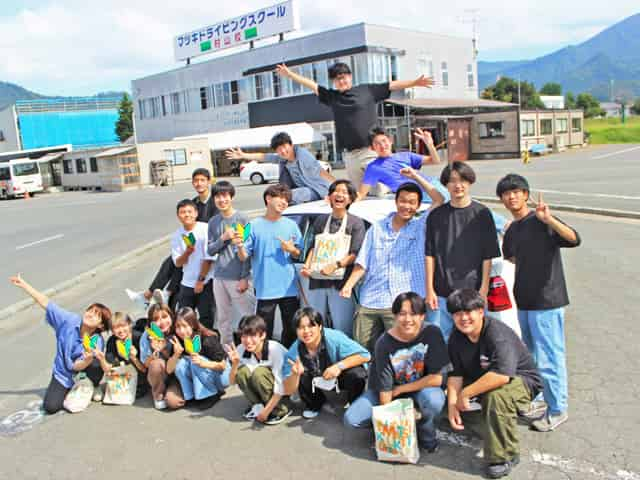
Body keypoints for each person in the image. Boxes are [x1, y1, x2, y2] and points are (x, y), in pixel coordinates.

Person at [497, 174, 581, 432]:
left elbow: (573, 239)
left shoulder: (542, 220)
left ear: (526, 194)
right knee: (531, 357)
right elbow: (510, 258)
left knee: (550, 357)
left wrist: (550, 220)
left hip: (548, 299)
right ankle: (541, 399)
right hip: (524, 300)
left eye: (517, 191)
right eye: (506, 193)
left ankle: (558, 409)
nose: (512, 197)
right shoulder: (513, 229)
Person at [276, 61, 435, 186]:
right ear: (334, 82)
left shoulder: (366, 90)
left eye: (344, 77)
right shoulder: (333, 97)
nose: (341, 81)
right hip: (350, 155)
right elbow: (312, 85)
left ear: (350, 77)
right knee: (360, 195)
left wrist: (414, 82)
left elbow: (391, 85)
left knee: (381, 189)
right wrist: (290, 75)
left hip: (371, 152)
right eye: (337, 79)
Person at [446, 289, 543, 479]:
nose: (463, 318)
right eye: (457, 313)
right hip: (484, 376)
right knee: (449, 392)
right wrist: (452, 405)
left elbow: (501, 376)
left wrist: (465, 394)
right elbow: (455, 374)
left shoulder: (496, 333)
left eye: (468, 312)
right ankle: (485, 419)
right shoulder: (456, 337)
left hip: (521, 379)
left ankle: (505, 455)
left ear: (481, 312)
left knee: (496, 397)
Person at [340, 182, 443, 353]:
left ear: (418, 206)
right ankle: (367, 379)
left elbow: (439, 199)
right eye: (403, 201)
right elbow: (362, 262)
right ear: (396, 202)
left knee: (400, 353)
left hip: (400, 302)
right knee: (362, 350)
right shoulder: (377, 228)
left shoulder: (420, 227)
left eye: (412, 203)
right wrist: (349, 285)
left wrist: (415, 176)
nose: (406, 206)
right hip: (370, 298)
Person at [344, 292, 449, 453]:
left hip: (419, 389)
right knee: (351, 420)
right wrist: (390, 429)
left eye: (413, 314)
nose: (408, 319)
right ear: (394, 316)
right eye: (402, 314)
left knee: (434, 400)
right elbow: (385, 391)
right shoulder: (384, 342)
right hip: (387, 391)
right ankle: (391, 426)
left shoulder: (432, 333)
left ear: (422, 316)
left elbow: (437, 379)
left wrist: (401, 389)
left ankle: (425, 432)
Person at [9, 275, 111, 414]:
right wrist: (24, 284)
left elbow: (78, 366)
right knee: (51, 406)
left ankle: (92, 385)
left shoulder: (97, 341)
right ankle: (73, 389)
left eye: (96, 315)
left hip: (83, 372)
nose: (90, 314)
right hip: (63, 373)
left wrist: (87, 360)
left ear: (101, 325)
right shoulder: (69, 321)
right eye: (90, 310)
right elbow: (46, 303)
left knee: (96, 362)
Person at [425, 162, 501, 341]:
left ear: (470, 182)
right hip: (441, 291)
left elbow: (487, 254)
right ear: (445, 184)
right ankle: (444, 370)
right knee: (441, 339)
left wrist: (483, 289)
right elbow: (430, 254)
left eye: (463, 180)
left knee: (475, 339)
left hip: (472, 292)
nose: (458, 185)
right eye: (452, 181)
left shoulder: (482, 214)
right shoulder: (436, 216)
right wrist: (429, 289)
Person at [235, 184, 303, 347]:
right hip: (265, 287)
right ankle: (265, 359)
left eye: (287, 200)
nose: (284, 202)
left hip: (289, 287)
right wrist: (238, 245)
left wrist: (291, 249)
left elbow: (300, 253)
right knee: (264, 330)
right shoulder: (254, 225)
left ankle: (290, 360)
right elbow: (244, 256)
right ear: (268, 199)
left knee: (292, 329)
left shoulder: (291, 225)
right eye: (280, 198)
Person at [143, 168, 219, 309]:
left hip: (211, 243)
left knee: (176, 262)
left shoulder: (215, 203)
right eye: (196, 181)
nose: (199, 184)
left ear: (209, 181)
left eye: (202, 180)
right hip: (193, 243)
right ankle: (164, 293)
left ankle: (162, 292)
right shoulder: (193, 202)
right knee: (176, 259)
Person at [300, 180, 366, 336]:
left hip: (341, 283)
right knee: (315, 323)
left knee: (342, 325)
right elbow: (313, 246)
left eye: (344, 192)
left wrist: (335, 265)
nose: (339, 195)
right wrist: (307, 266)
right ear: (329, 197)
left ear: (350, 199)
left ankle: (343, 358)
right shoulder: (321, 220)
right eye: (336, 191)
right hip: (317, 278)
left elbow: (356, 253)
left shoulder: (356, 222)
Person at [283, 308, 370, 419]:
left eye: (311, 326)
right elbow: (287, 390)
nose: (306, 331)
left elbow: (365, 355)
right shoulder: (293, 352)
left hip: (339, 375)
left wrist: (339, 366)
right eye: (300, 327)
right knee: (300, 373)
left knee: (357, 373)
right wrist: (295, 375)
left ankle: (355, 402)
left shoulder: (334, 337)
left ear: (320, 327)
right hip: (316, 378)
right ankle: (314, 404)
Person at [207, 181, 256, 345]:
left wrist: (244, 277)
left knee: (248, 317)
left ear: (231, 197)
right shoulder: (213, 222)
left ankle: (251, 350)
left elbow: (248, 251)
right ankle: (228, 352)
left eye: (225, 196)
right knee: (223, 318)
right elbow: (210, 250)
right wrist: (223, 238)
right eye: (218, 196)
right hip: (219, 276)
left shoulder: (242, 219)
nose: (222, 200)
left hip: (238, 277)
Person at [225, 132, 334, 205]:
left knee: (288, 196)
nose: (282, 151)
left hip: (314, 190)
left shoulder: (303, 155)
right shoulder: (283, 159)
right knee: (276, 195)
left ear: (291, 145)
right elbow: (264, 156)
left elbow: (321, 172)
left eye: (284, 147)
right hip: (301, 189)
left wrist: (335, 188)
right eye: (278, 149)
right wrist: (243, 155)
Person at [226, 315, 292, 425]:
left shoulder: (274, 350)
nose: (247, 341)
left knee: (259, 373)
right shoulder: (241, 349)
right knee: (242, 372)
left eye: (252, 336)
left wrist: (265, 413)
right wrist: (235, 364)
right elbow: (232, 382)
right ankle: (258, 405)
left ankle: (281, 409)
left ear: (263, 335)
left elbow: (280, 386)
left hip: (286, 391)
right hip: (268, 386)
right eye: (244, 335)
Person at [357, 127, 445, 200]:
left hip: (434, 185)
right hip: (416, 197)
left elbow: (435, 161)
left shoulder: (405, 155)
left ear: (390, 141)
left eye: (384, 141)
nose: (382, 146)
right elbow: (361, 194)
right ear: (372, 148)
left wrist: (430, 145)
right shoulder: (373, 168)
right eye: (377, 144)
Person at [165, 307, 228, 410]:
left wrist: (204, 363)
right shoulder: (177, 341)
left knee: (195, 361)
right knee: (180, 364)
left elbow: (223, 365)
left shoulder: (207, 339)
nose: (181, 331)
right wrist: (176, 355)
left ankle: (211, 394)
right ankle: (190, 396)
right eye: (178, 327)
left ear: (193, 325)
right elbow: (169, 370)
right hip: (200, 372)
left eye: (185, 326)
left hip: (221, 376)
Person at [171, 198, 215, 329]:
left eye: (190, 211)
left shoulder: (205, 229)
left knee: (206, 316)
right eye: (183, 212)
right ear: (178, 215)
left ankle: (205, 344)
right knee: (184, 317)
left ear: (196, 213)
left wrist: (201, 280)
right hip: (187, 282)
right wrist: (187, 252)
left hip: (206, 281)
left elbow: (209, 258)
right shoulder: (177, 235)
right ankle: (189, 344)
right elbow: (178, 263)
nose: (186, 215)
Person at [96, 312, 149, 399]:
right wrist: (102, 359)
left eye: (123, 326)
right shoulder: (112, 341)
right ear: (112, 331)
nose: (120, 330)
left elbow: (144, 369)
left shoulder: (138, 338)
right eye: (116, 328)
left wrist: (133, 358)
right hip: (125, 375)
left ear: (130, 325)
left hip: (142, 374)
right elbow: (109, 369)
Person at [140, 304, 178, 410]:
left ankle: (177, 391)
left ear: (171, 316)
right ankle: (158, 395)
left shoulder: (178, 330)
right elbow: (146, 365)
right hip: (161, 375)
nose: (162, 322)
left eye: (165, 317)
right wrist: (154, 353)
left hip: (178, 374)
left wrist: (165, 350)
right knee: (156, 364)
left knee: (174, 402)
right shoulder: (147, 336)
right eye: (156, 319)